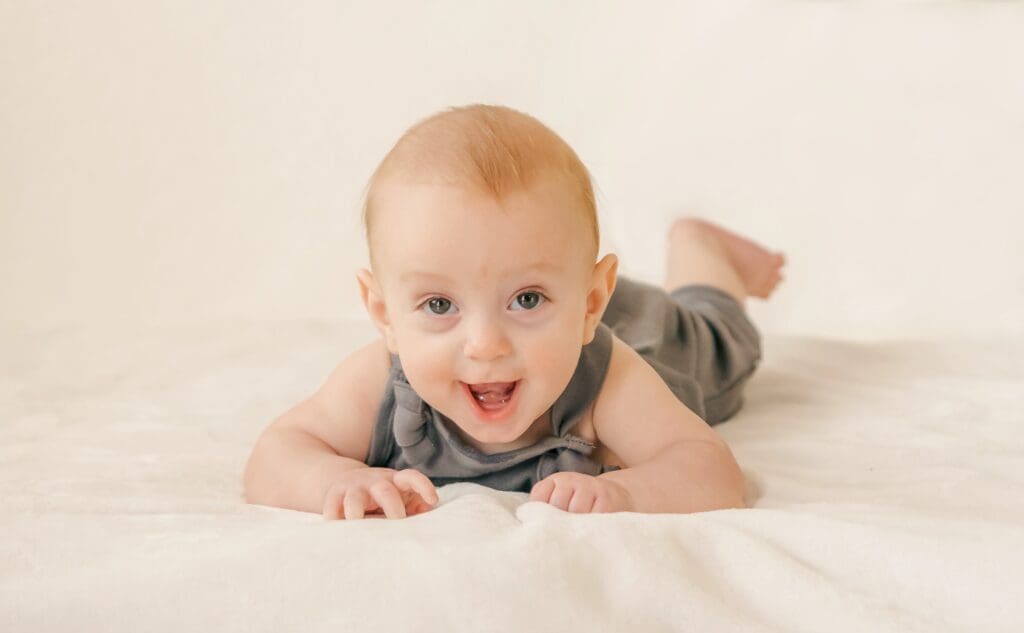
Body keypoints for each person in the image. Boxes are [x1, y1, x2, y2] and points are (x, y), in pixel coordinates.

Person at [243, 104, 786, 520]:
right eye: (439, 305)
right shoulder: (381, 384)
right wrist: (334, 480)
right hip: (563, 304)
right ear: (385, 315)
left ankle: (701, 250)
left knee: (720, 336)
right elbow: (277, 452)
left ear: (591, 302)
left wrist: (625, 492)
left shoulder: (609, 381)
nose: (486, 344)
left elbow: (711, 469)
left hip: (651, 340)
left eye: (525, 299)